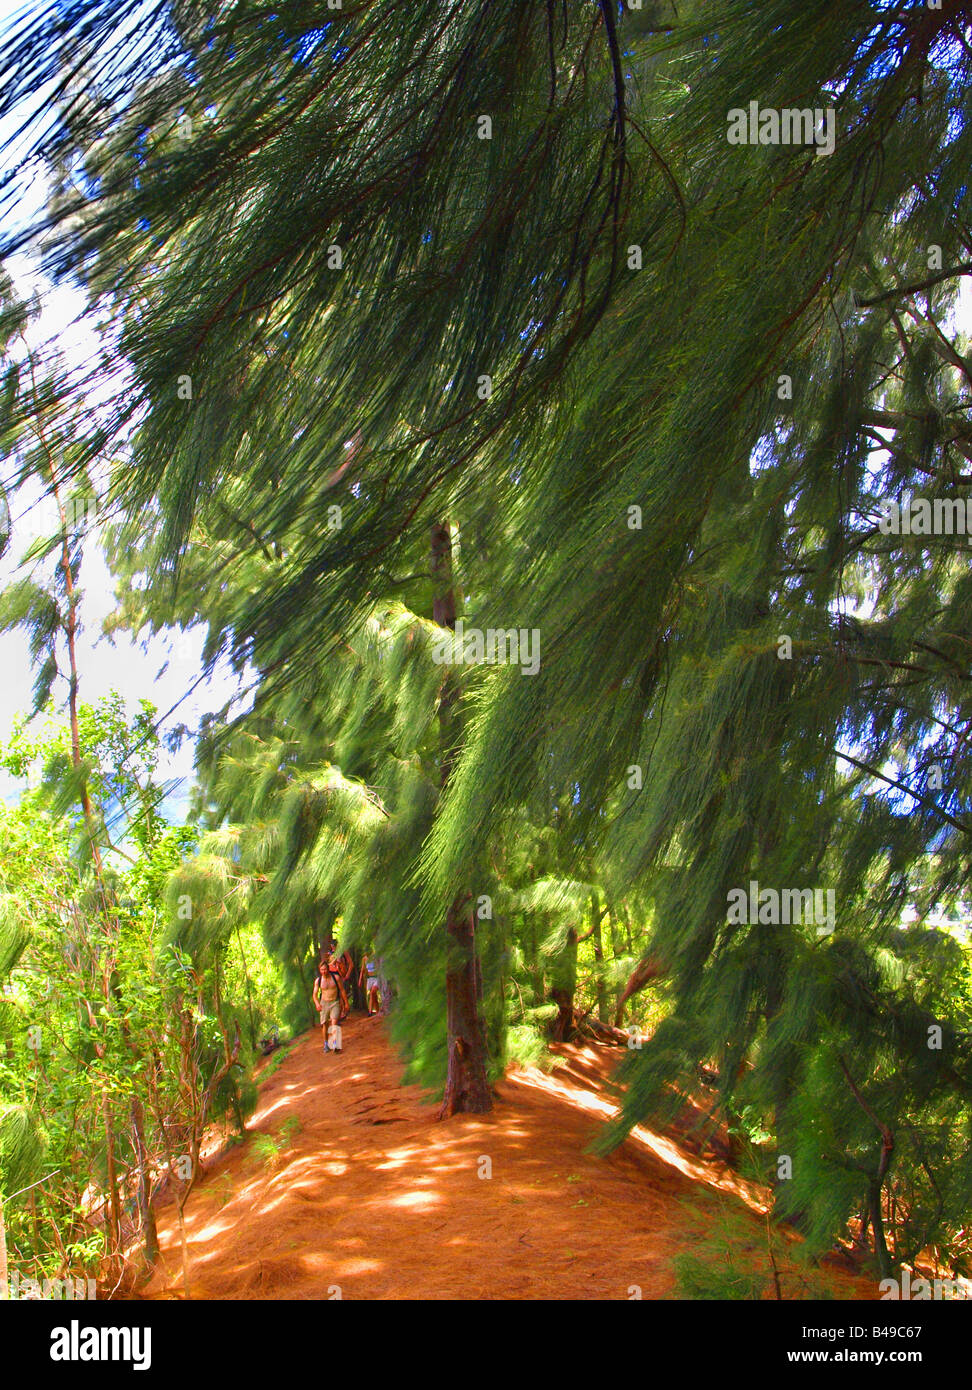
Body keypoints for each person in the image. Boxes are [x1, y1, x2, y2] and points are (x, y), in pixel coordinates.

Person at [313, 949, 347, 1052]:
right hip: (324, 1003)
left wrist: (345, 1003)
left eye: (325, 969)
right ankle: (326, 1044)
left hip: (334, 1002)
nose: (324, 971)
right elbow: (314, 995)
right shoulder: (318, 981)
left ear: (328, 969)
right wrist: (317, 1004)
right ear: (320, 970)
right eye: (322, 970)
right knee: (324, 1024)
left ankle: (336, 1044)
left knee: (334, 1022)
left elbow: (342, 990)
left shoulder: (335, 978)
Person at [359, 950, 381, 1015]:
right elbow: (363, 969)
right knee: (374, 996)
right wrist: (360, 980)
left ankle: (370, 1012)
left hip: (376, 978)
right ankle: (377, 1011)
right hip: (370, 979)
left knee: (372, 993)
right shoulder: (364, 959)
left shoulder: (375, 957)